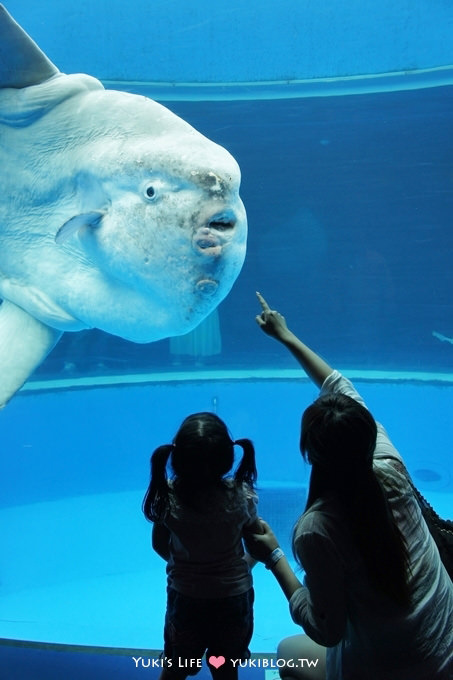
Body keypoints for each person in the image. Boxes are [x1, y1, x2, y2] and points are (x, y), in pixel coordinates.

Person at [246, 292, 453, 680]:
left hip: (389, 670)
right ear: (367, 437)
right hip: (445, 652)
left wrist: (274, 558)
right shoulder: (390, 465)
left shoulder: (317, 530)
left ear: (310, 454)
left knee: (288, 653)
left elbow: (327, 629)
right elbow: (336, 384)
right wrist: (287, 336)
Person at [142, 412, 262, 680]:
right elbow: (256, 544)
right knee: (225, 669)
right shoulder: (241, 497)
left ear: (177, 458)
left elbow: (159, 546)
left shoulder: (168, 499)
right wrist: (242, 566)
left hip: (186, 599)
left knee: (176, 668)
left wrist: (186, 565)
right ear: (228, 458)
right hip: (233, 599)